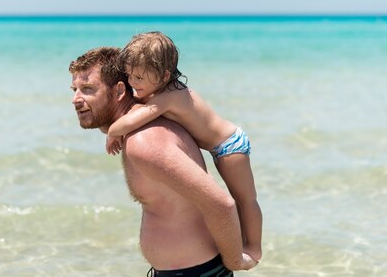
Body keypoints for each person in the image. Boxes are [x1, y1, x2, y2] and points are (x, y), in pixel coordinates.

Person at [69, 47, 257, 276]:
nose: (75, 99)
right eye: (74, 89)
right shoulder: (144, 125)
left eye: (87, 89)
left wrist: (234, 261)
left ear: (119, 90)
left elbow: (221, 205)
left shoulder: (144, 142)